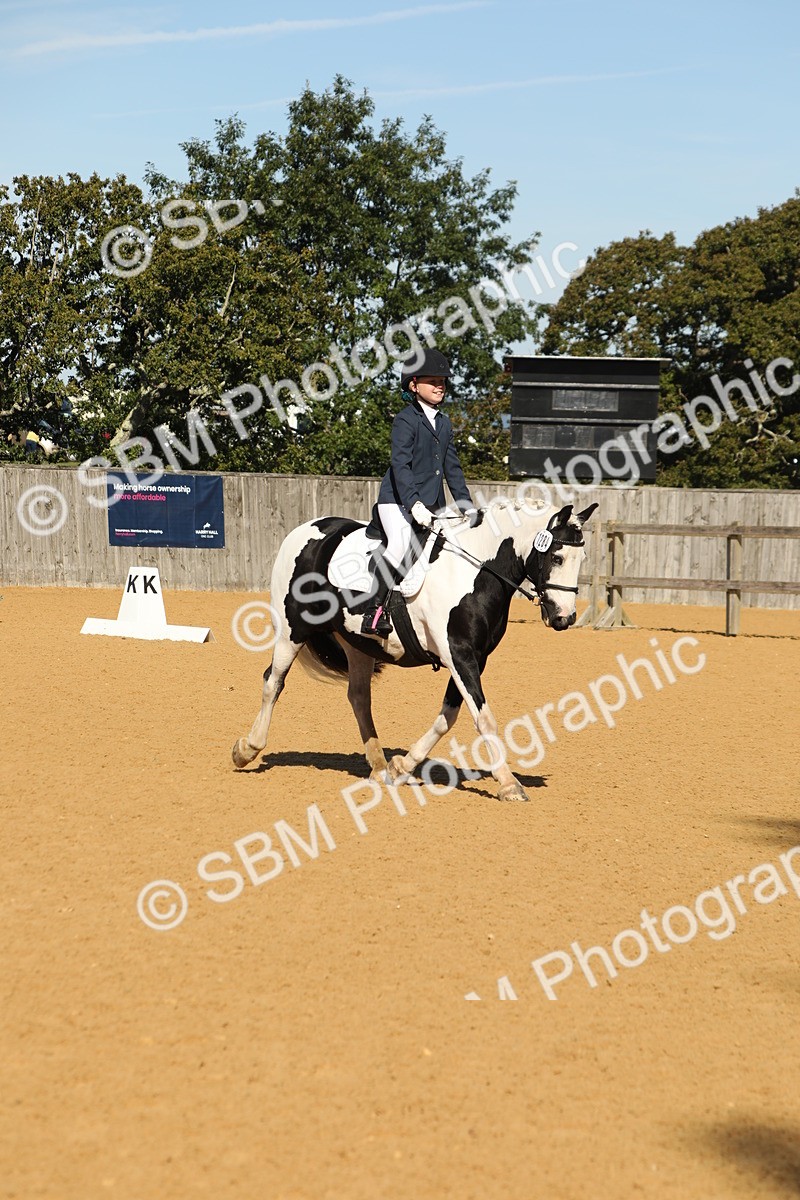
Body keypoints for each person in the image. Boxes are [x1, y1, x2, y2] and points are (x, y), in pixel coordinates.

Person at [360, 347, 477, 637]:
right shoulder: (405, 419)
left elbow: (453, 468)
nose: (440, 386)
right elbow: (401, 465)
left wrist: (466, 505)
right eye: (433, 381)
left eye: (443, 381)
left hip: (433, 506)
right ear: (414, 385)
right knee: (400, 545)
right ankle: (373, 612)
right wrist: (413, 504)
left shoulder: (445, 422)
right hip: (397, 501)